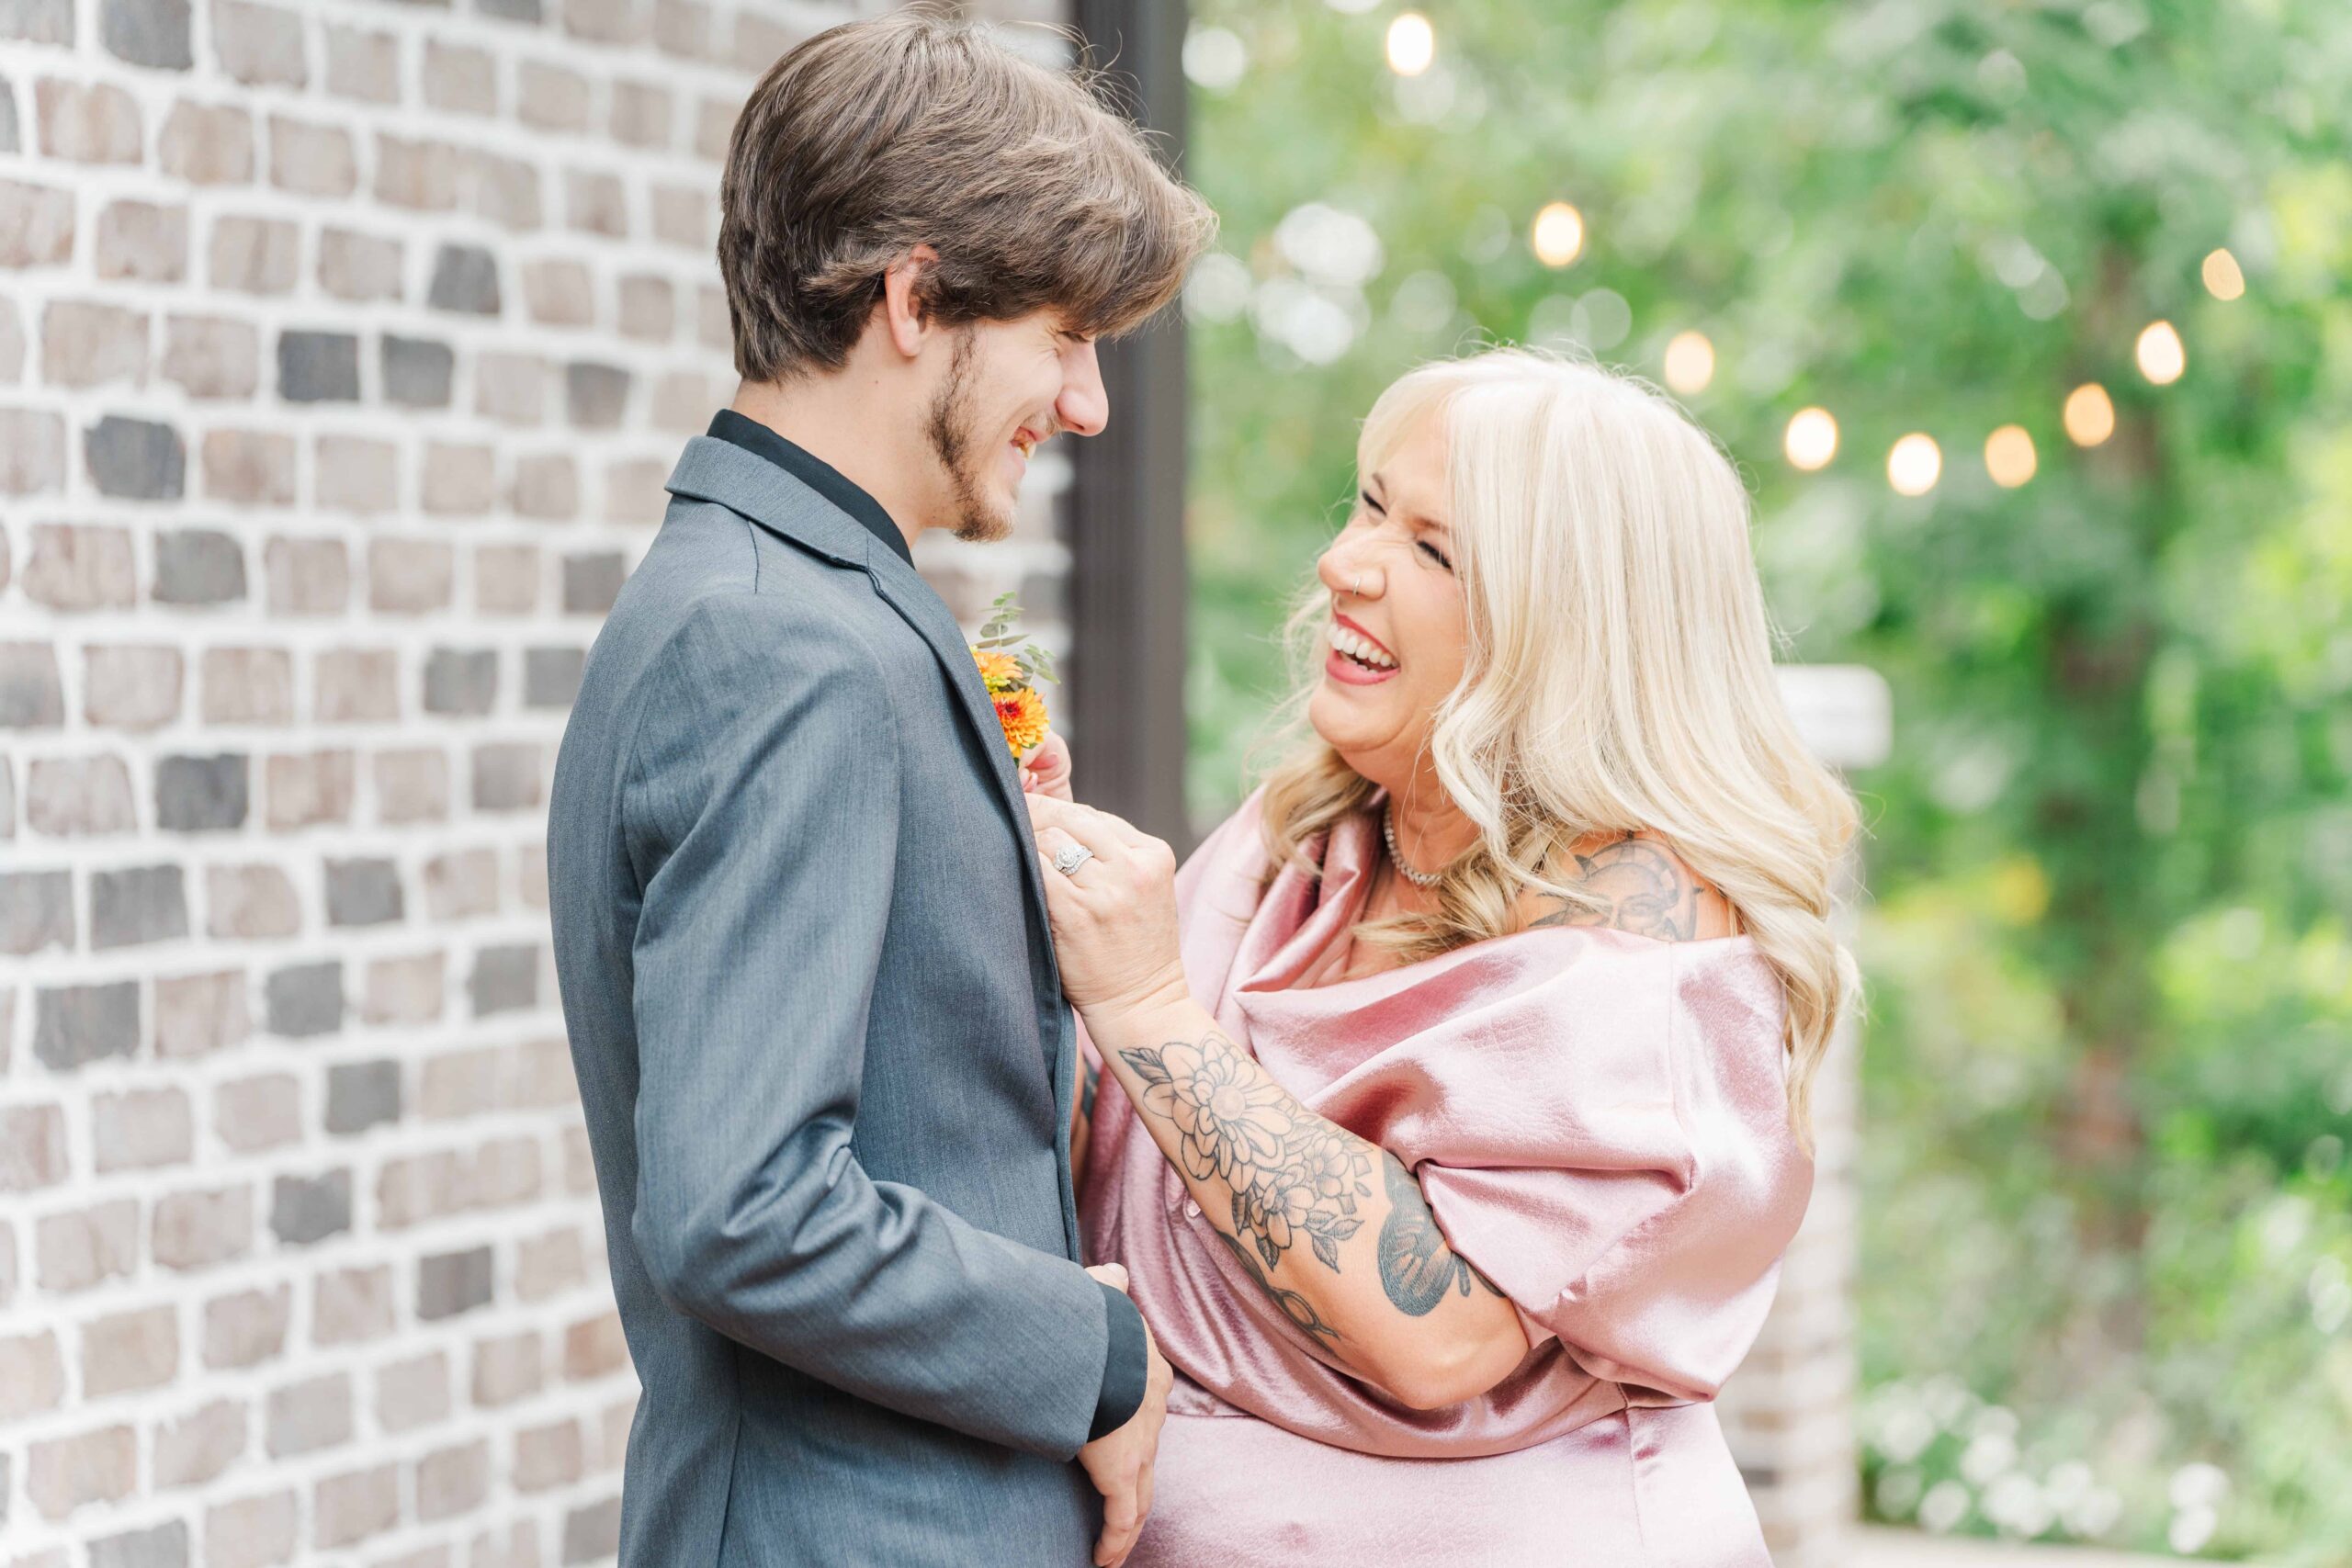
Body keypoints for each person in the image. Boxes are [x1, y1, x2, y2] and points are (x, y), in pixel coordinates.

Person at [545, 14, 1214, 1565]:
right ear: (915, 298)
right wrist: (1091, 1353)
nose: (1090, 401)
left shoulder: (770, 598)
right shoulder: (789, 646)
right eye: (1064, 334)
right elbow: (745, 1208)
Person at [1028, 347, 1861, 1565]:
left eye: (1433, 550)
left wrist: (1144, 998)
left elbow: (1443, 1332)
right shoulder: (1308, 835)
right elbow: (1126, 1152)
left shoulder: (1646, 961)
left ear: (1566, 632)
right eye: (1370, 505)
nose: (1343, 564)